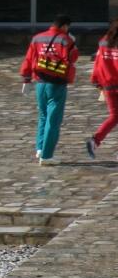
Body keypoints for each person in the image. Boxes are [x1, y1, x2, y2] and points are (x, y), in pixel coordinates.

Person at [20, 14, 79, 166]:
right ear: (65, 26)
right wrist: (73, 43)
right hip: (57, 83)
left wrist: (26, 79)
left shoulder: (37, 38)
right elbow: (72, 58)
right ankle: (46, 156)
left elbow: (28, 59)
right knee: (53, 120)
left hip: (40, 81)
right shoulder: (66, 40)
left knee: (43, 116)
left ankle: (40, 148)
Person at [87, 18, 118, 159]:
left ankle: (95, 140)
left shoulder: (104, 41)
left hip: (109, 85)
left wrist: (95, 80)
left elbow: (98, 62)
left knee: (114, 116)